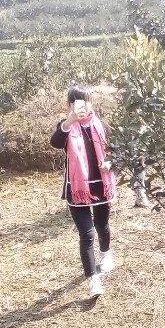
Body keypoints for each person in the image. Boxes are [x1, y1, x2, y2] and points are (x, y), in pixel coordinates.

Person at [50, 86, 117, 298]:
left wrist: (110, 162)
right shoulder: (66, 127)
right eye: (75, 103)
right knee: (87, 234)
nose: (81, 106)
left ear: (91, 103)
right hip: (77, 188)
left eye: (85, 101)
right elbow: (55, 142)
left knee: (102, 225)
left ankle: (106, 254)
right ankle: (93, 280)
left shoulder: (102, 125)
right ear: (70, 106)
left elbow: (116, 151)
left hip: (100, 185)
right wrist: (69, 121)